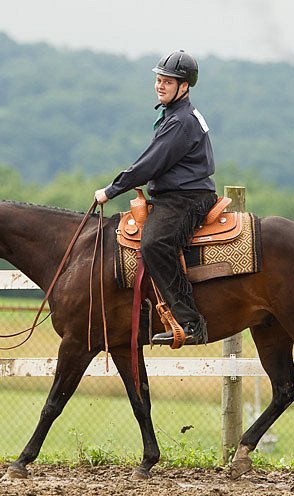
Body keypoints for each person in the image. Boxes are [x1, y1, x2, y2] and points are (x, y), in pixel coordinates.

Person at [94, 50, 217, 345]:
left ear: (184, 86)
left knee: (154, 243)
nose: (160, 85)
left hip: (186, 198)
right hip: (176, 195)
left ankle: (190, 322)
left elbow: (150, 164)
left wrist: (112, 190)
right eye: (159, 79)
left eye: (168, 81)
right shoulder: (175, 115)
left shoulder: (180, 121)